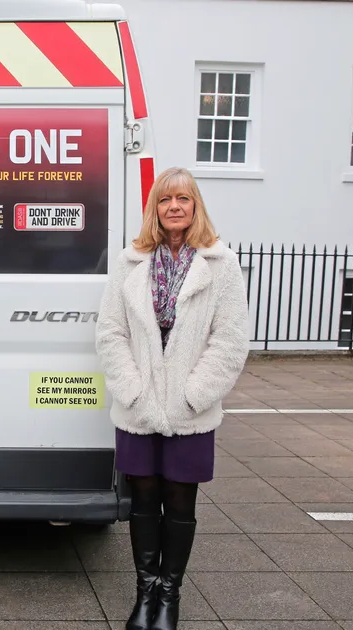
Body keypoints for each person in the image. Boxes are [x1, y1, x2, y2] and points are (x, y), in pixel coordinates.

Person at [96, 167, 249, 630]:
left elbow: (230, 340)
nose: (174, 206)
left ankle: (170, 594)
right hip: (139, 406)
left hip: (190, 409)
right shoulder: (130, 261)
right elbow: (110, 332)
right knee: (143, 496)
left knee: (181, 500)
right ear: (155, 209)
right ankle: (145, 594)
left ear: (195, 204)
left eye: (183, 198)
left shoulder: (220, 264)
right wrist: (134, 391)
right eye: (165, 200)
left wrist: (192, 396)